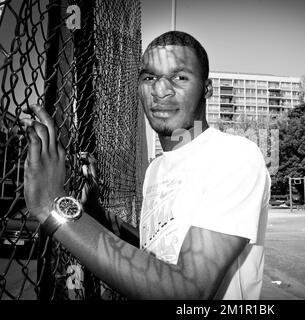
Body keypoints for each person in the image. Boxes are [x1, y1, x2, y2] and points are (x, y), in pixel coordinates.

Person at [21, 31, 271, 300]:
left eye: (180, 77)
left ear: (206, 89)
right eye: (149, 77)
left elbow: (187, 290)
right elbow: (160, 252)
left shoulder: (234, 155)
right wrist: (95, 216)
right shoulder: (156, 169)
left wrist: (53, 206)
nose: (161, 90)